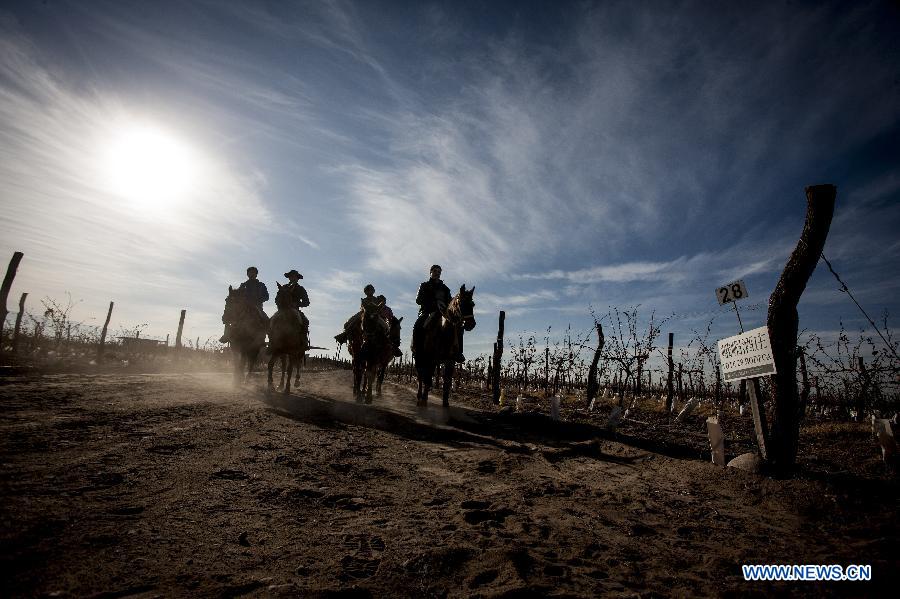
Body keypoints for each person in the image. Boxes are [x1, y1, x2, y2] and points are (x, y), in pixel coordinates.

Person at [413, 264, 464, 362]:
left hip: (444, 313)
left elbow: (450, 302)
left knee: (458, 325)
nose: (437, 273)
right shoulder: (424, 285)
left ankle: (458, 352)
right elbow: (418, 300)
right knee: (418, 324)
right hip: (427, 311)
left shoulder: (445, 288)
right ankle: (417, 350)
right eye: (435, 271)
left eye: (439, 272)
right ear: (430, 272)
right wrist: (432, 302)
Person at [220, 266, 269, 342]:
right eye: (250, 272)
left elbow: (266, 296)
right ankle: (226, 335)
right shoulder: (243, 285)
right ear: (247, 274)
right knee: (229, 316)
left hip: (257, 307)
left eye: (253, 272)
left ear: (256, 274)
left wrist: (258, 299)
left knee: (266, 319)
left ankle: (271, 337)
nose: (251, 274)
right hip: (244, 306)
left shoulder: (261, 285)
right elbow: (238, 296)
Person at [282, 269, 311, 347]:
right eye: (291, 277)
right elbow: (277, 298)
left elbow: (307, 302)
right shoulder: (284, 287)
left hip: (295, 310)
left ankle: (304, 340)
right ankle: (272, 340)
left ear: (297, 278)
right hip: (283, 310)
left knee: (305, 321)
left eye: (294, 277)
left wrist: (297, 304)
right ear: (289, 278)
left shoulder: (301, 289)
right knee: (271, 320)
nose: (292, 278)